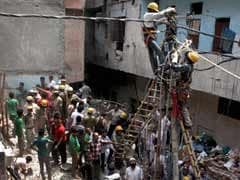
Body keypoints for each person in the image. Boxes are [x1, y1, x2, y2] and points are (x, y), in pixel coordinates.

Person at [143, 2, 176, 73]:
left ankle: (155, 70)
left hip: (150, 39)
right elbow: (159, 15)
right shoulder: (147, 16)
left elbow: (158, 22)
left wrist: (166, 19)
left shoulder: (150, 19)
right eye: (154, 11)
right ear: (151, 10)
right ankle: (163, 68)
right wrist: (168, 10)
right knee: (160, 53)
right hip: (149, 39)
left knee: (153, 55)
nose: (154, 13)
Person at [171, 51, 199, 128]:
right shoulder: (191, 66)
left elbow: (176, 68)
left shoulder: (186, 66)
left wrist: (173, 61)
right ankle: (187, 121)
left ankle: (188, 123)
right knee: (183, 105)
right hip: (185, 89)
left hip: (182, 90)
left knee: (182, 105)